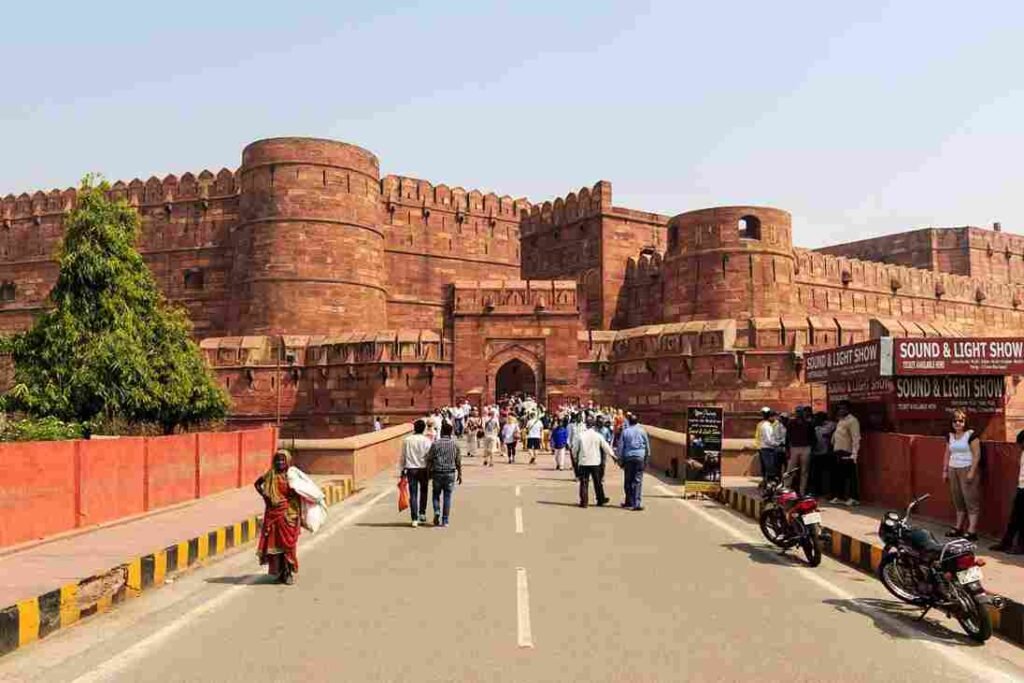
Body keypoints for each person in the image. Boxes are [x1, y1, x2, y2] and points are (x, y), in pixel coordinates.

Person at [254, 450, 302, 584]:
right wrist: (266, 496)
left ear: (287, 461)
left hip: (288, 514)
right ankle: (280, 572)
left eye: (282, 460)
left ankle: (288, 572)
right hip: (273, 514)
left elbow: (300, 492)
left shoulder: (291, 476)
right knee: (275, 545)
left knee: (288, 545)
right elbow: (257, 484)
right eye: (277, 460)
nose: (280, 463)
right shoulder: (271, 474)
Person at [942, 409, 981, 540]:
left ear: (965, 422)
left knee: (970, 499)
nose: (958, 423)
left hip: (967, 468)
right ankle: (958, 527)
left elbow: (977, 455)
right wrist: (945, 470)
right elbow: (947, 453)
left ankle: (972, 530)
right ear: (951, 423)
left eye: (961, 420)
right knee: (958, 499)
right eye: (955, 421)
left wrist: (972, 472)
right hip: (953, 468)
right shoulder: (950, 436)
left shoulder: (971, 435)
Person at [992, 429, 1024, 554]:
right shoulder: (1023, 453)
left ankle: (1021, 547)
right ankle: (1006, 543)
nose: (1020, 447)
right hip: (1021, 487)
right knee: (1014, 518)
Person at [425, 422, 462, 528]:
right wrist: (460, 474)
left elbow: (429, 459)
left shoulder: (435, 444)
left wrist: (428, 472)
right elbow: (458, 461)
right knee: (447, 496)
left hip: (437, 472)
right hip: (450, 473)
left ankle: (437, 511)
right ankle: (445, 520)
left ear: (441, 431)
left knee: (436, 494)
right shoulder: (455, 444)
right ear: (451, 432)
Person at [399, 419, 432, 527]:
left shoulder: (407, 440)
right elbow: (429, 456)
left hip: (411, 468)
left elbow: (403, 456)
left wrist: (402, 470)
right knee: (424, 491)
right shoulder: (427, 440)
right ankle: (422, 513)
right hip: (423, 468)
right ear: (424, 429)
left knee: (413, 494)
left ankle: (414, 519)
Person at [575, 418, 614, 508]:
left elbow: (575, 448)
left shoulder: (581, 435)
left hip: (584, 462)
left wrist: (575, 457)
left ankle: (584, 502)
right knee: (597, 482)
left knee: (584, 482)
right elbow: (606, 446)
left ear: (586, 425)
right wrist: (613, 455)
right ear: (593, 425)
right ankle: (600, 499)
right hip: (595, 462)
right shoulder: (598, 435)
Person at [830, 401, 861, 507]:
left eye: (843, 408)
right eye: (840, 408)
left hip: (847, 452)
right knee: (839, 475)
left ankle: (854, 498)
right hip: (838, 451)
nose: (841, 410)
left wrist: (854, 454)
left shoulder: (853, 421)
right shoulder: (841, 420)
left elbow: (856, 438)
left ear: (848, 409)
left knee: (851, 476)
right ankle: (840, 497)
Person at [618, 413, 651, 510]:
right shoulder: (642, 431)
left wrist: (620, 459)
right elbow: (647, 446)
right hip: (640, 457)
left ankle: (629, 501)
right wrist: (647, 458)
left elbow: (621, 447)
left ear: (629, 421)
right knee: (637, 480)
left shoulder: (625, 432)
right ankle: (636, 503)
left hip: (628, 457)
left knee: (628, 480)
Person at [786, 406, 815, 495]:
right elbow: (787, 437)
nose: (798, 413)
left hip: (806, 448)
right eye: (797, 412)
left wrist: (811, 448)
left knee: (804, 471)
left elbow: (813, 437)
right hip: (794, 447)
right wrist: (787, 450)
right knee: (790, 469)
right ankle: (786, 488)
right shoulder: (791, 423)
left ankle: (802, 491)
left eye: (800, 412)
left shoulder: (808, 424)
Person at [755, 407, 786, 485]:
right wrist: (778, 444)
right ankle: (769, 485)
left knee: (772, 468)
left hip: (768, 448)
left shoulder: (770, 425)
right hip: (767, 449)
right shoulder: (766, 426)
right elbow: (768, 440)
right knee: (770, 469)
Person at [810, 411, 835, 497]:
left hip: (827, 453)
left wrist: (830, 436)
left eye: (817, 418)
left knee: (828, 474)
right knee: (817, 473)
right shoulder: (815, 427)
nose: (815, 420)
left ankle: (829, 491)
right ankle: (818, 491)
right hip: (817, 453)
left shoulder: (831, 425)